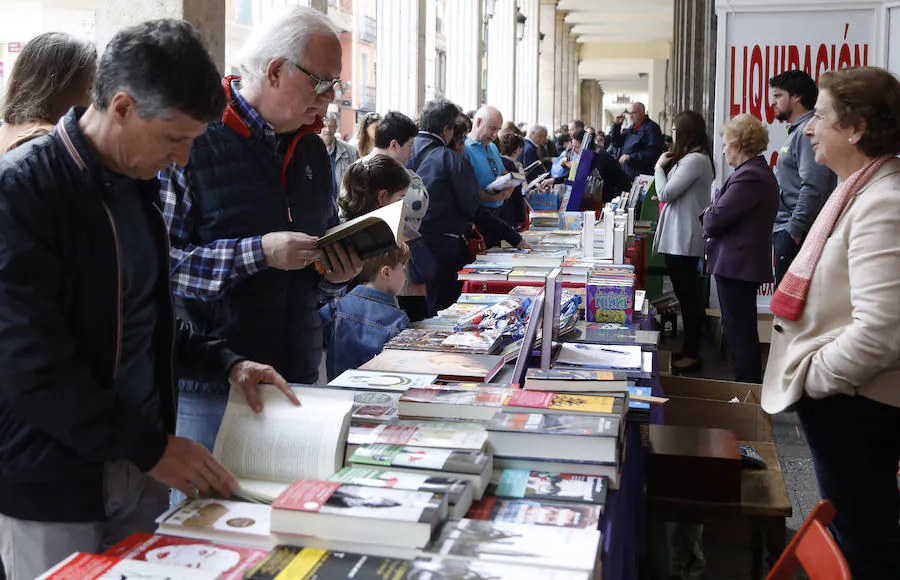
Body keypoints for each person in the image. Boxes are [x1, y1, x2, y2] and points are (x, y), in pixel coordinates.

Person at [0, 20, 294, 579]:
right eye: (174, 139)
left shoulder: (137, 187)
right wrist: (152, 447)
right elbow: (31, 367)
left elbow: (144, 317)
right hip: (55, 480)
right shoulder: (20, 193)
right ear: (122, 107)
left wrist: (224, 360)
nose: (183, 161)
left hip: (140, 467)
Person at [159, 6, 363, 453]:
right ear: (275, 71)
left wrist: (335, 276)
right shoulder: (193, 141)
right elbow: (159, 268)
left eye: (337, 85)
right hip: (213, 384)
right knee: (210, 517)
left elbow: (317, 251)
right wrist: (259, 253)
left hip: (299, 375)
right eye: (323, 82)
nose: (331, 98)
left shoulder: (312, 151)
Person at [763, 66, 900, 580]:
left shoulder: (884, 203)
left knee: (864, 542)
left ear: (857, 128)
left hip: (855, 408)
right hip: (846, 405)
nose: (810, 127)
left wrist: (812, 380)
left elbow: (882, 334)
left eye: (820, 115)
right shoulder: (859, 189)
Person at [406, 98, 527, 314]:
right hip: (444, 249)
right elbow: (474, 209)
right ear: (447, 130)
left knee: (417, 315)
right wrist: (514, 237)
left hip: (408, 245)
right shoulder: (449, 158)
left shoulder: (406, 149)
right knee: (443, 313)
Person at [703, 115, 779, 383]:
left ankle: (748, 393)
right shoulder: (751, 174)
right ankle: (747, 392)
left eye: (725, 144)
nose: (723, 150)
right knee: (739, 331)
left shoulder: (750, 177)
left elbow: (714, 219)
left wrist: (711, 211)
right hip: (737, 263)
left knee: (740, 335)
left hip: (737, 265)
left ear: (738, 144)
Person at [652, 110, 715, 373]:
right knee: (686, 295)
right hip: (681, 236)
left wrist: (658, 168)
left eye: (675, 130)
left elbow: (665, 192)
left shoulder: (695, 161)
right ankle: (689, 349)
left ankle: (692, 352)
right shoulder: (694, 159)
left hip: (684, 239)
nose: (672, 135)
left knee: (688, 297)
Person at [768, 70, 837, 285]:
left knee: (791, 312)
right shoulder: (798, 132)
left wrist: (793, 232)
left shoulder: (807, 133)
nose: (773, 102)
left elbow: (813, 185)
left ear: (797, 97)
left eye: (778, 96)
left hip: (798, 233)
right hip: (789, 230)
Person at [320, 243, 411, 380]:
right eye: (403, 269)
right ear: (386, 272)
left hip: (338, 391)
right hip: (380, 392)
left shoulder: (337, 307)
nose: (405, 276)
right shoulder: (398, 320)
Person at [0, 32, 96, 153]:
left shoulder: (8, 129)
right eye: (90, 87)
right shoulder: (43, 143)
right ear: (60, 89)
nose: (94, 101)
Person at [465, 106, 516, 215]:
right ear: (478, 122)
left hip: (499, 210)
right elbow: (465, 189)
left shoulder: (493, 147)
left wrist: (509, 183)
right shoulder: (464, 149)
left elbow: (502, 171)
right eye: (492, 129)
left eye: (498, 130)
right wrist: (493, 198)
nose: (495, 135)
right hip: (477, 213)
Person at [609, 101, 664, 180]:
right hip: (628, 172)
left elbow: (653, 153)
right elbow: (617, 143)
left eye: (633, 113)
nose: (631, 116)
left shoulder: (651, 128)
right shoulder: (632, 128)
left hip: (642, 174)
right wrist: (617, 126)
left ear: (642, 112)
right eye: (629, 114)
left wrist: (630, 157)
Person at [320, 111, 359, 212]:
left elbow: (357, 181)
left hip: (344, 209)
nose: (328, 130)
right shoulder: (310, 150)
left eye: (331, 126)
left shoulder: (351, 151)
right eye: (324, 126)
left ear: (336, 127)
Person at [497, 132, 527, 230]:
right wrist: (521, 216)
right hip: (509, 212)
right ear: (518, 149)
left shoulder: (497, 160)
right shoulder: (514, 165)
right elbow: (518, 192)